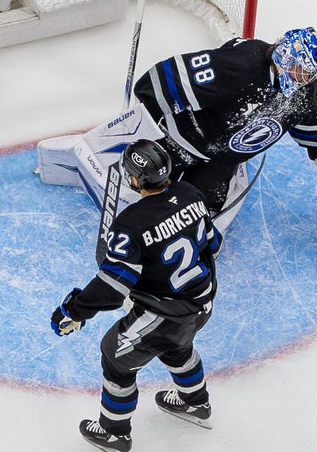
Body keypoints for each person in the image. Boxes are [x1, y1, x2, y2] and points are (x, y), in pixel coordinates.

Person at [51, 139, 222, 452]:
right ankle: (195, 403)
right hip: (202, 304)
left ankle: (114, 433)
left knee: (115, 357)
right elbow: (214, 243)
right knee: (177, 346)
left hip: (165, 313)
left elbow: (112, 289)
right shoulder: (191, 195)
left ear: (133, 179)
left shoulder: (131, 223)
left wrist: (73, 310)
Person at [131, 27, 317, 214]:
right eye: (299, 70)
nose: (302, 79)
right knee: (140, 192)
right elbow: (157, 84)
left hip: (221, 162)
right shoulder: (243, 62)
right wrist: (141, 127)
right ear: (285, 56)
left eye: (308, 74)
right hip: (177, 140)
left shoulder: (304, 97)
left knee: (199, 215)